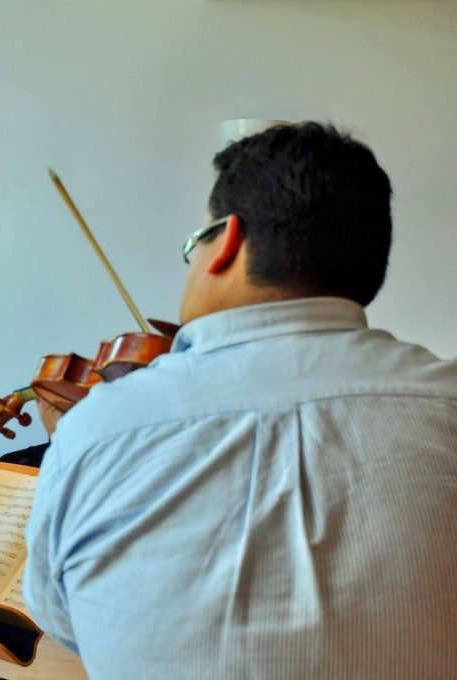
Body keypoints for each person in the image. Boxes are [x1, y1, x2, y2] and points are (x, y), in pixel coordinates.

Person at [23, 122, 457, 678]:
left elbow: (69, 623)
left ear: (226, 240)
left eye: (193, 246)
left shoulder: (96, 430)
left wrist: (77, 450)